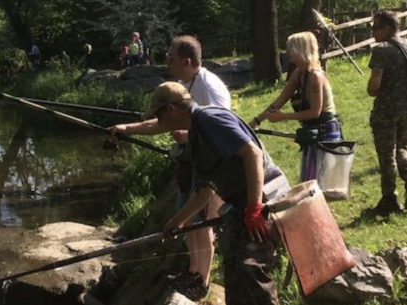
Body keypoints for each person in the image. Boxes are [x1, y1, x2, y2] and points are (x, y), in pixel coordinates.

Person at [109, 35, 231, 301]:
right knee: (189, 222)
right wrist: (127, 128)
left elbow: (221, 128)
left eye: (171, 57)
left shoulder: (207, 88)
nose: (166, 60)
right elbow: (164, 123)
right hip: (191, 163)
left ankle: (203, 280)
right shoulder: (182, 84)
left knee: (203, 223)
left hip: (212, 167)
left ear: (187, 61)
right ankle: (192, 271)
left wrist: (187, 137)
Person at [149, 81, 286, 305]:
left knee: (250, 271)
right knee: (233, 277)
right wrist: (176, 222)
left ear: (170, 110)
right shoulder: (195, 137)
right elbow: (204, 192)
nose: (159, 122)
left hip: (264, 199)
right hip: (241, 206)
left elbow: (253, 154)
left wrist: (254, 208)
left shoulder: (209, 119)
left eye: (159, 116)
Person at [250, 31, 341, 183]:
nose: (287, 52)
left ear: (301, 49)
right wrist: (255, 122)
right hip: (311, 131)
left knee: (322, 182)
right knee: (309, 180)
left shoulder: (315, 76)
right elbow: (278, 103)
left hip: (325, 132)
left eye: (290, 48)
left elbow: (315, 112)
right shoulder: (298, 73)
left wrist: (283, 116)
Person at [365, 10, 407, 215]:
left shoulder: (381, 49)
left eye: (376, 27)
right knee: (402, 150)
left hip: (386, 111)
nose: (372, 32)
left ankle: (390, 199)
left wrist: (371, 89)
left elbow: (374, 85)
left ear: (389, 28)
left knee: (386, 155)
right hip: (406, 111)